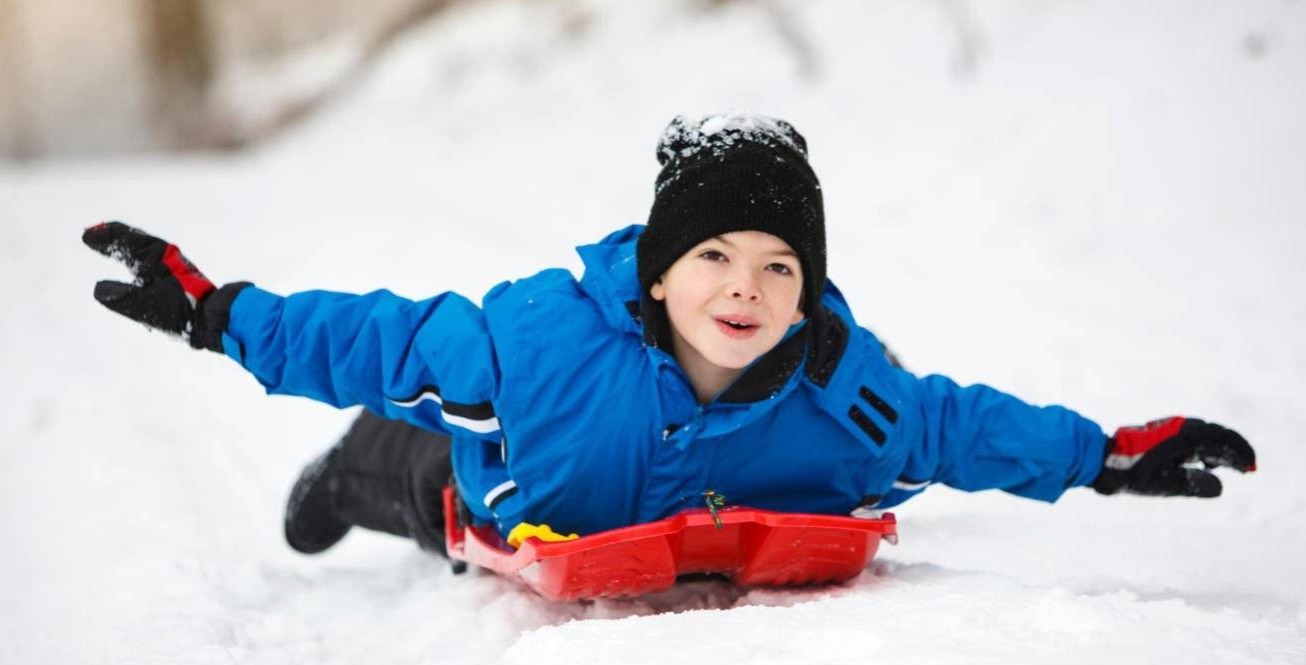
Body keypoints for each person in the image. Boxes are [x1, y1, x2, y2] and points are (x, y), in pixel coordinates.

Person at [84, 113, 1256, 559]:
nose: (744, 289)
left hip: (634, 503)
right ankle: (348, 472)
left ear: (808, 291)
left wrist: (1101, 455)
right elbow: (374, 339)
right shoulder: (530, 352)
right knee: (408, 443)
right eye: (712, 258)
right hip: (515, 484)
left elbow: (956, 426)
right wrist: (214, 313)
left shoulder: (847, 396)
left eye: (778, 268)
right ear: (658, 269)